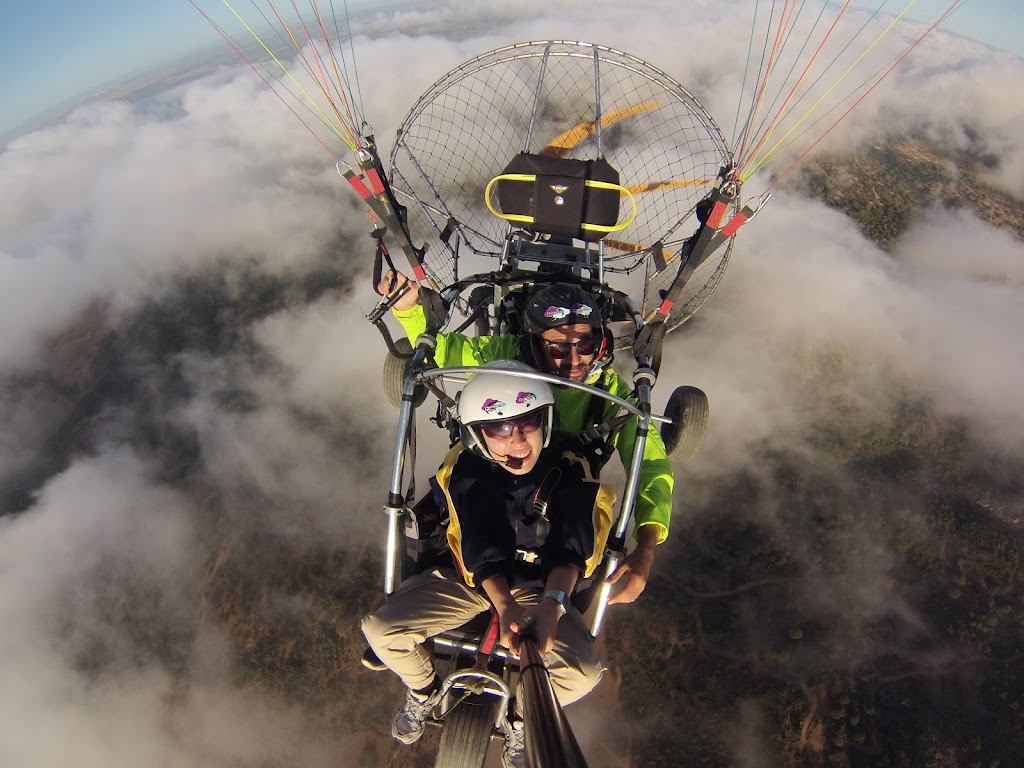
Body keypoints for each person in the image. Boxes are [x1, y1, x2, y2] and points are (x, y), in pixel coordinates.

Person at [362, 361, 614, 768]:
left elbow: (570, 550)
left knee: (583, 673)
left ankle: (521, 718)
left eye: (527, 422)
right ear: (478, 434)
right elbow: (481, 548)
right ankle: (423, 689)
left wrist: (551, 605)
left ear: (545, 422)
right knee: (380, 630)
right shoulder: (467, 472)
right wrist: (504, 603)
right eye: (498, 428)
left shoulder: (569, 470)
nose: (516, 441)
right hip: (471, 580)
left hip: (538, 587)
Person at [376, 270, 674, 604]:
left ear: (600, 343)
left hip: (563, 487)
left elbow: (650, 464)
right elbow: (444, 351)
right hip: (491, 472)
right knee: (464, 485)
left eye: (586, 345)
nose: (575, 359)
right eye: (558, 347)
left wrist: (647, 545)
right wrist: (409, 308)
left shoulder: (610, 394)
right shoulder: (504, 359)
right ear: (535, 344)